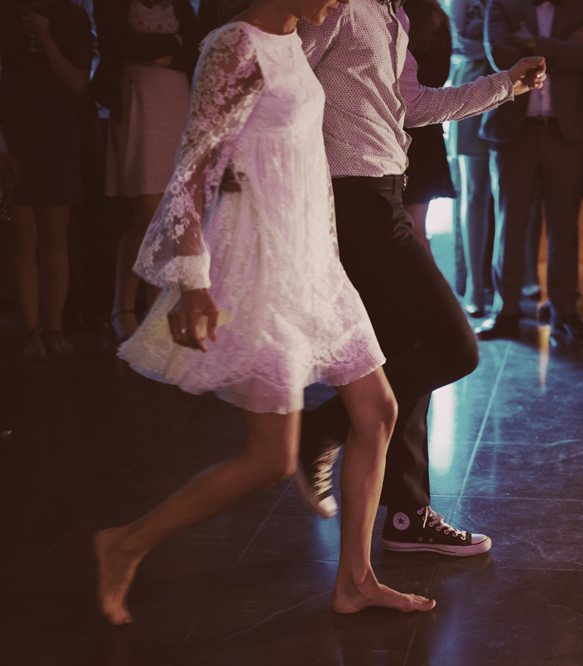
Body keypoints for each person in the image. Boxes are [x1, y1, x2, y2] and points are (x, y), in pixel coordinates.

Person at [94, 0, 437, 626]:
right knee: (270, 459)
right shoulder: (236, 45)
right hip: (261, 268)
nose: (340, 2)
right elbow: (192, 171)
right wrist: (192, 283)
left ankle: (355, 582)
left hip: (312, 263)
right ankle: (124, 544)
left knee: (378, 411)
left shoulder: (293, 42)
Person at [296, 0, 544, 556]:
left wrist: (505, 85)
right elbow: (285, 82)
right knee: (455, 347)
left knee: (407, 350)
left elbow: (412, 104)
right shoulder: (337, 8)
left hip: (386, 192)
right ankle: (321, 429)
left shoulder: (394, 16)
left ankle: (407, 516)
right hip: (353, 199)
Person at [474, 0, 583, 346]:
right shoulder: (502, 3)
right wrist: (562, 48)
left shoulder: (581, 6)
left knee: (564, 227)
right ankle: (506, 311)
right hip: (515, 133)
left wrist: (531, 44)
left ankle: (564, 312)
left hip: (564, 131)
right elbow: (500, 56)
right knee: (509, 225)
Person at [92, 0, 198, 342]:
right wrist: (171, 45)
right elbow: (121, 45)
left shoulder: (179, 4)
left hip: (176, 101)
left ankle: (158, 308)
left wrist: (165, 52)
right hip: (139, 101)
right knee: (147, 214)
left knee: (171, 212)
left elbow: (194, 47)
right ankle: (123, 307)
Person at [0, 0, 93, 360]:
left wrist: (46, 39)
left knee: (56, 231)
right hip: (14, 127)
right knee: (23, 234)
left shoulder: (71, 15)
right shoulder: (7, 12)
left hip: (57, 129)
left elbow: (79, 84)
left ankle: (54, 327)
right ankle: (29, 329)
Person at [445, 0, 495, 317]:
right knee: (473, 193)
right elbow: (457, 40)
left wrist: (484, 34)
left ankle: (506, 286)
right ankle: (474, 286)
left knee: (513, 198)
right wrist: (499, 37)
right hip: (471, 83)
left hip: (509, 84)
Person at [404, 0, 457, 250]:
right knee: (415, 229)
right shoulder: (437, 19)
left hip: (402, 127)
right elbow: (439, 77)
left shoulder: (392, 17)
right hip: (425, 130)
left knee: (405, 229)